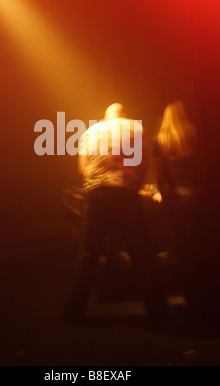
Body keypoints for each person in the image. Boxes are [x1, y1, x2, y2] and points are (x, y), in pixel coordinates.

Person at [64, 103, 158, 322]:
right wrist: (135, 186)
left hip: (96, 197)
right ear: (124, 115)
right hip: (125, 196)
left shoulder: (89, 132)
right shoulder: (135, 128)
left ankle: (74, 309)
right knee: (141, 254)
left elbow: (83, 170)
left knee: (88, 254)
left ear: (105, 117)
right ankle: (156, 310)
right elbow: (142, 162)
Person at [153, 100, 201, 314]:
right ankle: (203, 298)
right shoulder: (194, 135)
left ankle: (191, 301)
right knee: (198, 249)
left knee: (184, 251)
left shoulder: (161, 140)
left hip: (177, 198)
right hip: (197, 194)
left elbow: (160, 175)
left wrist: (166, 197)